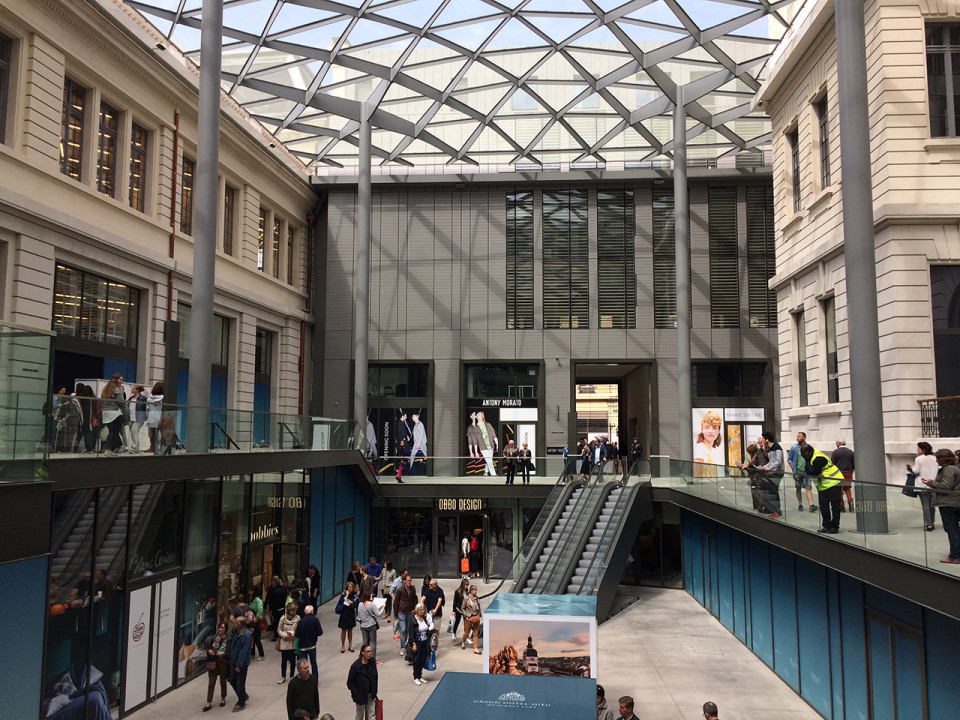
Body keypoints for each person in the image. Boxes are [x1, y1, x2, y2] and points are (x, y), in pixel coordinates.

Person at [922, 448, 960, 564]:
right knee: (954, 529)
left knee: (952, 529)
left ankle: (955, 556)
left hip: (949, 503)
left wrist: (930, 482)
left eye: (938, 459)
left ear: (943, 459)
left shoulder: (949, 469)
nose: (937, 461)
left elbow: (945, 486)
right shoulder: (954, 468)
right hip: (953, 502)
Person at [800, 445, 845, 534]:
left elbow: (811, 472)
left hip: (834, 482)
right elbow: (809, 471)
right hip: (824, 486)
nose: (803, 457)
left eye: (804, 455)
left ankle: (835, 526)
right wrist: (811, 469)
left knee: (835, 506)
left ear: (808, 452)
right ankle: (826, 525)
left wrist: (811, 469)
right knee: (824, 506)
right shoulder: (810, 458)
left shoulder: (819, 458)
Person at [909, 441, 938, 531]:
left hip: (922, 483)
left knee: (925, 504)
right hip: (933, 483)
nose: (917, 450)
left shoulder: (919, 459)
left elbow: (916, 471)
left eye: (918, 448)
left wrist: (911, 467)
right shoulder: (935, 458)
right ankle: (932, 521)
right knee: (932, 504)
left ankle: (928, 523)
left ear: (923, 449)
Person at [203, 621, 230, 711]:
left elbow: (230, 651)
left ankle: (223, 698)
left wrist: (224, 653)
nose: (220, 629)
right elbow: (207, 647)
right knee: (211, 683)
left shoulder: (228, 639)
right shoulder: (214, 637)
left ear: (225, 629)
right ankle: (209, 702)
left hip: (223, 662)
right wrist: (209, 651)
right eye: (219, 627)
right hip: (213, 661)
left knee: (223, 681)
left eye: (222, 628)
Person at [347, 644, 378, 720]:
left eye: (370, 651)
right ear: (362, 652)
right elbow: (350, 682)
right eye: (367, 651)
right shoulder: (355, 666)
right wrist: (355, 694)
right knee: (360, 715)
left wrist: (374, 690)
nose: (370, 653)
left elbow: (375, 677)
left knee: (372, 714)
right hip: (360, 695)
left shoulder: (372, 662)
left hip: (370, 694)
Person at [758, 431, 785, 518]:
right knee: (771, 491)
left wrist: (770, 468)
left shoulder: (777, 447)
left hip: (777, 472)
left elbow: (778, 461)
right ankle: (775, 510)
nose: (762, 441)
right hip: (772, 472)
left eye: (763, 439)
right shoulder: (770, 448)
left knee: (774, 491)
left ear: (767, 439)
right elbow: (771, 461)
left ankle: (778, 512)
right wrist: (764, 467)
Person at [788, 431, 816, 512]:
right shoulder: (794, 447)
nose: (798, 438)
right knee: (798, 488)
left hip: (807, 472)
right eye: (797, 436)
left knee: (808, 487)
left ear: (804, 438)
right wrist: (793, 469)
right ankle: (800, 504)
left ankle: (811, 505)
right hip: (798, 471)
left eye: (799, 436)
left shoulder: (809, 447)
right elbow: (790, 459)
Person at [229, 615, 251, 712]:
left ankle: (241, 702)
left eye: (236, 622)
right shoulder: (236, 632)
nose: (234, 623)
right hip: (234, 660)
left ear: (241, 625)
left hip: (241, 663)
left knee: (240, 683)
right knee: (231, 679)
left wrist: (239, 665)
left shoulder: (246, 635)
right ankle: (243, 695)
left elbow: (243, 651)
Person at [295, 605, 323, 679]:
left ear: (305, 611)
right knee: (314, 663)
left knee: (303, 665)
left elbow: (297, 634)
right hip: (312, 645)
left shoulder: (301, 621)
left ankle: (303, 678)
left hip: (303, 647)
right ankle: (315, 680)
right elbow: (320, 632)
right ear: (312, 611)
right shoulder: (315, 620)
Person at [100, 376, 126, 454]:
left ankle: (120, 446)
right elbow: (121, 402)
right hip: (116, 412)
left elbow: (102, 401)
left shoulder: (105, 389)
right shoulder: (118, 389)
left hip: (106, 413)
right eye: (120, 379)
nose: (122, 381)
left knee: (112, 431)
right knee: (114, 432)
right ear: (116, 380)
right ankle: (108, 449)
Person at [410, 603, 434, 685]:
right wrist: (413, 643)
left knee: (422, 659)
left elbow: (428, 628)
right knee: (416, 660)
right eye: (421, 610)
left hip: (425, 642)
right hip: (417, 642)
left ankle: (420, 676)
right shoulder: (413, 620)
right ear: (417, 610)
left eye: (423, 610)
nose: (423, 611)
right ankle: (416, 677)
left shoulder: (424, 618)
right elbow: (411, 633)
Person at [277, 601, 301, 683]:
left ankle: (292, 675)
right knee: (284, 661)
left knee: (293, 660)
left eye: (295, 611)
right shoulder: (283, 619)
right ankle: (283, 676)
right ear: (289, 610)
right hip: (285, 642)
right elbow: (279, 630)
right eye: (293, 611)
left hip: (293, 642)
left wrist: (295, 633)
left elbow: (299, 629)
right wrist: (285, 635)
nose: (294, 612)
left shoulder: (298, 618)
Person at [394, 574, 418, 654]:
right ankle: (403, 647)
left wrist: (415, 609)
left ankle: (408, 645)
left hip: (410, 612)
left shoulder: (413, 588)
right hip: (402, 611)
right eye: (408, 580)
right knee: (403, 629)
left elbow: (415, 598)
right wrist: (396, 614)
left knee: (409, 629)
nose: (409, 582)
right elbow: (396, 602)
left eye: (410, 580)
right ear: (404, 581)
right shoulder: (400, 590)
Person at [357, 589, 383, 661]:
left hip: (363, 626)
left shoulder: (360, 605)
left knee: (365, 642)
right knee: (373, 642)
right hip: (371, 625)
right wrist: (383, 607)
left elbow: (359, 616)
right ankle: (372, 659)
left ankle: (364, 657)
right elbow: (378, 614)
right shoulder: (371, 605)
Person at [831, 438, 856, 512]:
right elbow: (854, 464)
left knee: (839, 490)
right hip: (848, 473)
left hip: (838, 473)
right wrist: (851, 472)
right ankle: (850, 500)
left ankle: (841, 506)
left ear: (839, 443)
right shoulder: (851, 452)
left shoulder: (836, 452)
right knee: (847, 489)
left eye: (836, 443)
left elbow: (832, 464)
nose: (836, 444)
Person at [337, 581, 359, 653]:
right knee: (343, 630)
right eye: (350, 587)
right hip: (344, 613)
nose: (351, 588)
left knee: (350, 630)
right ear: (347, 588)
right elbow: (341, 602)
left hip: (351, 613)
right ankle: (342, 645)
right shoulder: (343, 594)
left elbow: (355, 603)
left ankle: (350, 645)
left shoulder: (354, 595)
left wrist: (350, 603)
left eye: (352, 586)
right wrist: (346, 598)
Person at [460, 584, 482, 654]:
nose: (476, 592)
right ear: (471, 591)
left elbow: (479, 607)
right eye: (474, 590)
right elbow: (462, 608)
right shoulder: (466, 598)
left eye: (476, 590)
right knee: (467, 632)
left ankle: (475, 648)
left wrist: (479, 614)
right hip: (468, 617)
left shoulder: (477, 598)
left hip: (476, 617)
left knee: (476, 633)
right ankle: (463, 641)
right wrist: (466, 615)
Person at [476, 410, 498, 476]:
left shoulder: (488, 425)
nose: (481, 415)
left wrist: (497, 444)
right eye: (479, 414)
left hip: (490, 446)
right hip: (483, 447)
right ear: (476, 417)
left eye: (481, 414)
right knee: (489, 461)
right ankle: (493, 474)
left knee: (489, 460)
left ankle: (485, 472)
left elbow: (494, 436)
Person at [145, 381, 164, 453]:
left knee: (153, 436)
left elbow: (147, 410)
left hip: (151, 419)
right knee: (163, 436)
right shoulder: (163, 399)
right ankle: (162, 450)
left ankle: (155, 450)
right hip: (161, 418)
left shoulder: (149, 398)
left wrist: (147, 418)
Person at [129, 385, 147, 453]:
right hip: (131, 417)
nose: (132, 390)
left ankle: (134, 448)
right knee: (133, 433)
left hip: (139, 418)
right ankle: (136, 448)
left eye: (133, 388)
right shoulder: (131, 398)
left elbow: (145, 407)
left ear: (137, 390)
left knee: (134, 431)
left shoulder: (142, 398)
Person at [249, 586, 265, 661]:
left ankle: (261, 654)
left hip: (256, 622)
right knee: (253, 638)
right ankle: (252, 653)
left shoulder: (257, 600)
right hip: (252, 621)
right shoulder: (253, 599)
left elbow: (260, 609)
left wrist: (256, 618)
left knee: (257, 639)